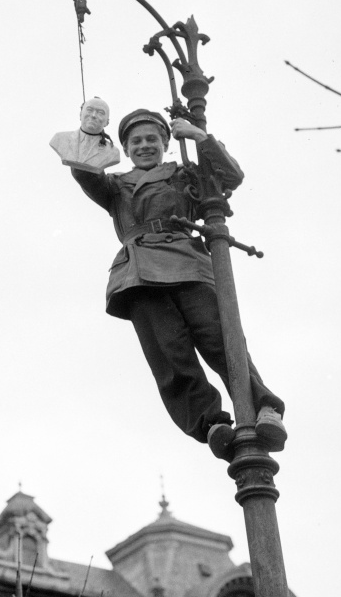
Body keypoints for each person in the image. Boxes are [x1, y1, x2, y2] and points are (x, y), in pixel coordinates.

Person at [68, 107, 286, 460]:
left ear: (166, 142)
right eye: (135, 141)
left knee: (222, 340)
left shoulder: (184, 174)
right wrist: (89, 132)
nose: (144, 146)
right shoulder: (116, 186)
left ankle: (265, 409)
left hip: (189, 265)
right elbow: (83, 171)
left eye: (152, 139)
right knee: (170, 356)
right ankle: (212, 424)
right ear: (125, 148)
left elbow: (229, 178)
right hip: (138, 276)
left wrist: (200, 137)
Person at [49, 97, 120, 172]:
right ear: (80, 114)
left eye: (100, 113)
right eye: (89, 110)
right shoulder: (59, 139)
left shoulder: (113, 152)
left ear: (107, 122)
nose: (93, 115)